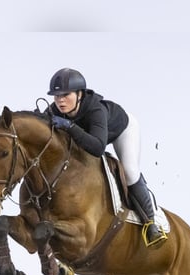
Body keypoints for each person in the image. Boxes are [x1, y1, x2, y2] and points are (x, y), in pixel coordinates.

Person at [46, 68, 167, 248]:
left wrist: (70, 126)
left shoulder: (95, 110)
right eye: (56, 96)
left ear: (79, 94)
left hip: (121, 131)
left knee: (129, 170)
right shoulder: (55, 109)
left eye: (66, 94)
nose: (60, 100)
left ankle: (151, 223)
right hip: (93, 136)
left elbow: (97, 147)